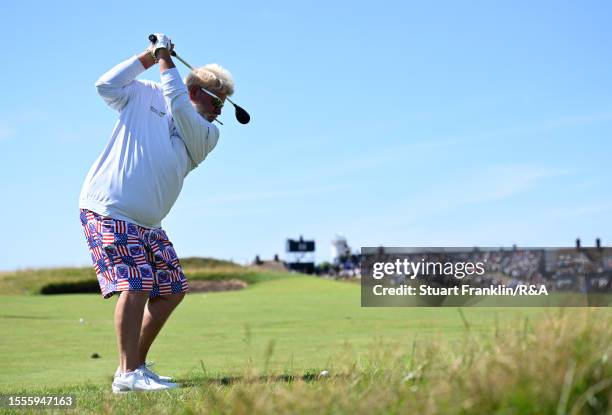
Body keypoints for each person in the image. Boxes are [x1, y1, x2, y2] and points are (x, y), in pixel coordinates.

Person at [78, 33, 235, 393]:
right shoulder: (145, 92)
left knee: (172, 288)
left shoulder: (207, 134)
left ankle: (135, 367)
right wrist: (150, 57)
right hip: (108, 208)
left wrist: (165, 58)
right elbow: (105, 85)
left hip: (148, 223)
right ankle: (127, 375)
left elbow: (178, 105)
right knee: (136, 283)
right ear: (196, 90)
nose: (220, 110)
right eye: (216, 100)